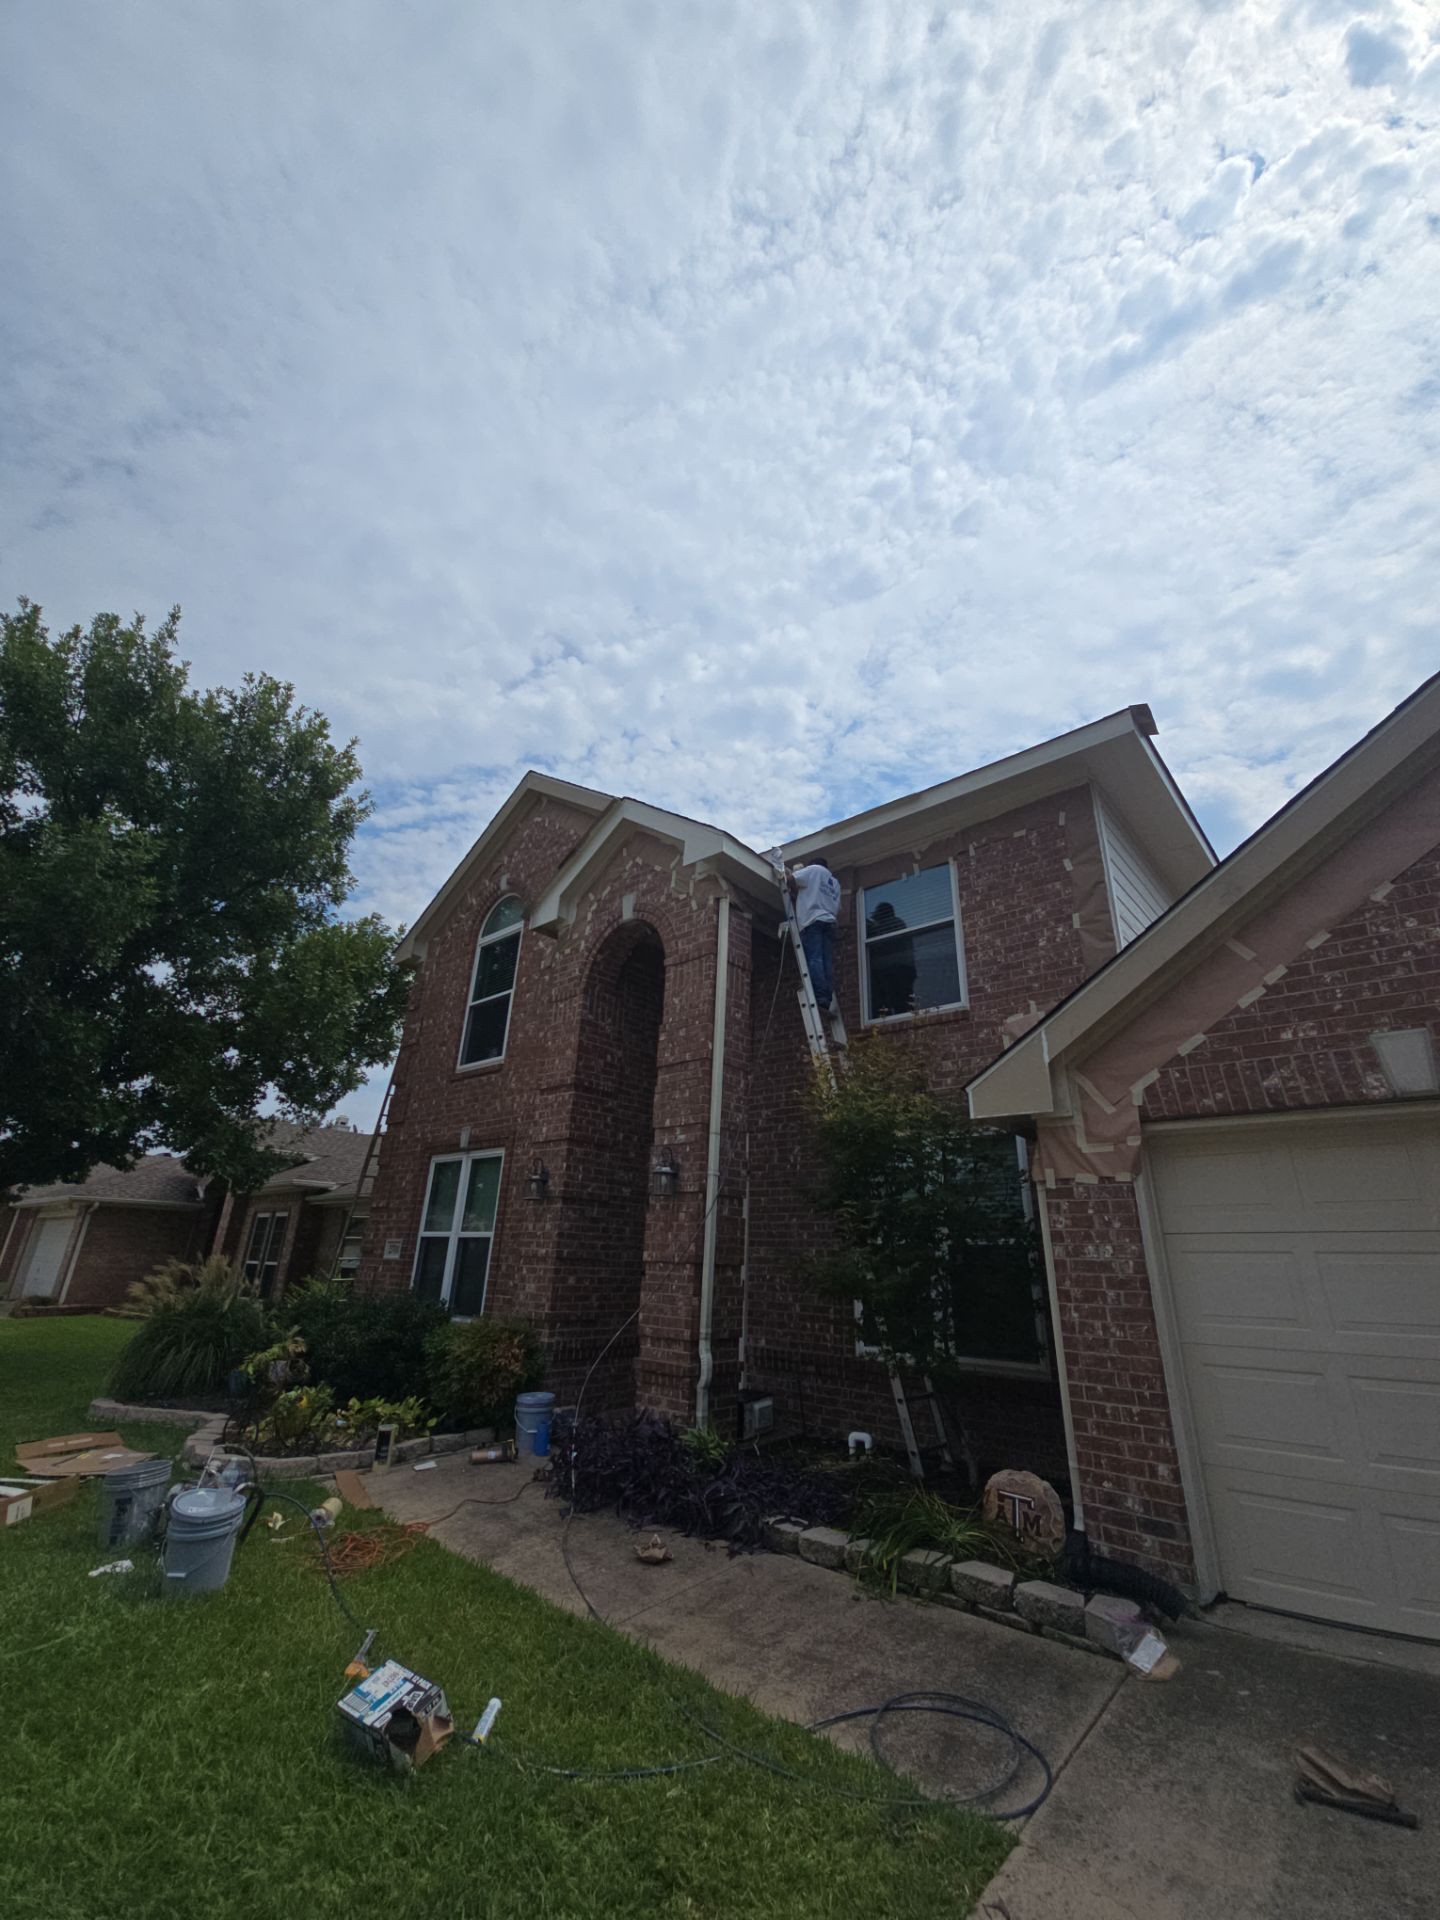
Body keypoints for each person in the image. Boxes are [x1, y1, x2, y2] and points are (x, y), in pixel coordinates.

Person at [788, 855, 842, 1012]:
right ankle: (827, 996)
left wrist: (786, 875)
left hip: (813, 921)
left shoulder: (813, 870)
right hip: (829, 921)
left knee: (815, 958)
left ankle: (819, 994)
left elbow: (790, 880)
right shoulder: (834, 882)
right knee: (826, 962)